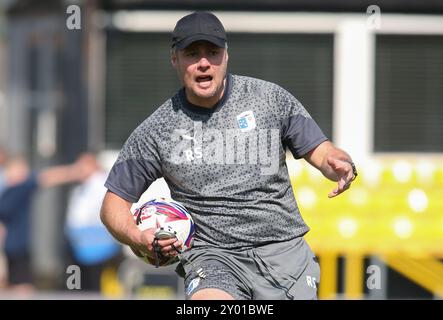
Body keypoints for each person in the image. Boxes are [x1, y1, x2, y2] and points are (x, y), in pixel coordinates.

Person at [100, 11, 357, 300]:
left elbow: (322, 151)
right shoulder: (158, 129)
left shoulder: (269, 99)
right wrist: (137, 237)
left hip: (282, 255)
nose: (204, 63)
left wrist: (338, 162)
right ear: (175, 59)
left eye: (213, 52)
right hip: (212, 258)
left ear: (226, 55)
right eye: (192, 54)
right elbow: (113, 204)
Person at [0, 155, 83, 293]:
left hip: (20, 246)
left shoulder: (23, 187)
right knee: (12, 285)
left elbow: (48, 177)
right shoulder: (8, 191)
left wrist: (73, 171)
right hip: (9, 247)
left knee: (22, 286)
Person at [65, 153, 122, 292]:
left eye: (82, 166)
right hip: (81, 249)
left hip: (101, 250)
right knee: (79, 287)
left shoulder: (102, 184)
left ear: (93, 166)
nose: (77, 170)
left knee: (97, 289)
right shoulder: (80, 188)